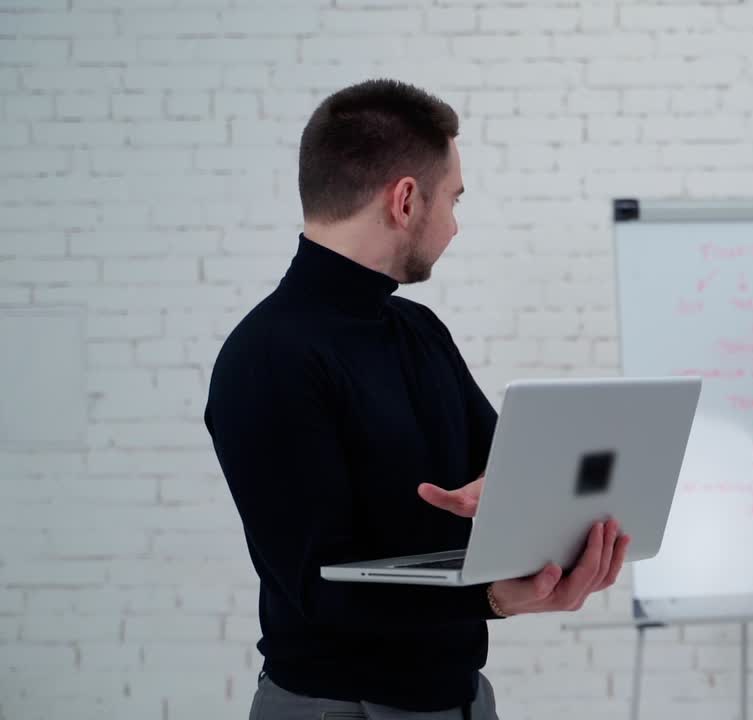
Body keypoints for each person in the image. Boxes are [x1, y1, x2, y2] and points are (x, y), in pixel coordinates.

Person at [204, 79, 629, 720]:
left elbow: (506, 465)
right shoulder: (266, 359)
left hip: (458, 698)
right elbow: (324, 589)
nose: (455, 226)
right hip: (340, 708)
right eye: (453, 199)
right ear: (406, 199)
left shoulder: (420, 332)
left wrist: (526, 504)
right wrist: (494, 600)